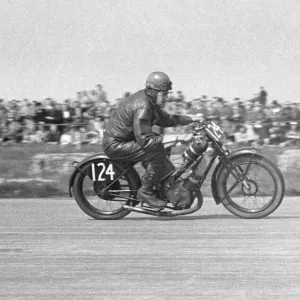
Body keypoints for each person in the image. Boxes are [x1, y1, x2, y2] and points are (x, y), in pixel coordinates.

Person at [102, 71, 202, 209]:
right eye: (164, 94)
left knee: (161, 146)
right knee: (156, 152)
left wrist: (192, 118)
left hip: (128, 140)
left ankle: (162, 185)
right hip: (116, 145)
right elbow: (145, 139)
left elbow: (168, 119)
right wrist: (178, 138)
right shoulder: (144, 106)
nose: (167, 98)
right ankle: (146, 191)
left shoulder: (150, 102)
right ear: (153, 92)